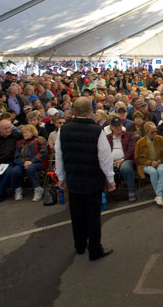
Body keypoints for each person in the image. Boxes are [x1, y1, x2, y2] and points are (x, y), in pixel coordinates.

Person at [55, 96, 115, 261]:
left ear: (74, 112)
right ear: (91, 112)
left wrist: (61, 176)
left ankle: (79, 245)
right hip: (92, 179)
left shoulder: (63, 130)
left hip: (73, 178)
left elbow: (59, 156)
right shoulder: (97, 131)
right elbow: (105, 158)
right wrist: (110, 179)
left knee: (77, 214)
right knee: (93, 216)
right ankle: (95, 249)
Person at [134, 122, 163, 207]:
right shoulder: (140, 142)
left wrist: (158, 161)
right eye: (152, 132)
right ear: (146, 133)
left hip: (159, 161)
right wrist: (150, 162)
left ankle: (158, 195)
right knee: (153, 172)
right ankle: (160, 195)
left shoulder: (160, 139)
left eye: (155, 131)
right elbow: (138, 158)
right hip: (145, 164)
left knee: (161, 170)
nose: (155, 134)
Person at [12, 124, 48, 202]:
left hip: (38, 162)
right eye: (23, 133)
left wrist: (32, 161)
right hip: (23, 163)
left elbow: (42, 152)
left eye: (26, 132)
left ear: (32, 132)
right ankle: (18, 189)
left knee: (31, 169)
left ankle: (37, 189)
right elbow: (17, 156)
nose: (24, 134)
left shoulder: (40, 140)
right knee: (15, 171)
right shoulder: (20, 143)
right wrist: (24, 163)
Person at [107, 116, 137, 202]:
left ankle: (131, 192)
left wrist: (122, 160)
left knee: (125, 168)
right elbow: (104, 151)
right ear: (111, 127)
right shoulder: (107, 137)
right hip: (110, 161)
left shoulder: (129, 135)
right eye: (115, 126)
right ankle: (105, 194)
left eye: (119, 125)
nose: (118, 128)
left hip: (126, 160)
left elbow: (131, 150)